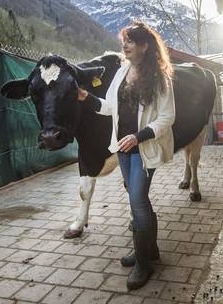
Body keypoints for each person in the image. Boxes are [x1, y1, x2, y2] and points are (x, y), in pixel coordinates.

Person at [83, 21, 175, 290]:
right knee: (139, 199)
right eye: (124, 40)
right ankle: (148, 249)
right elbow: (110, 107)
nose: (125, 45)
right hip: (123, 149)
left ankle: (143, 263)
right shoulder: (122, 72)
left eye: (131, 41)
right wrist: (84, 97)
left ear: (145, 46)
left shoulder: (160, 77)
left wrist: (139, 136)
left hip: (145, 148)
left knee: (137, 200)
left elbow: (168, 117)